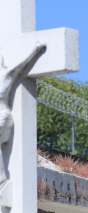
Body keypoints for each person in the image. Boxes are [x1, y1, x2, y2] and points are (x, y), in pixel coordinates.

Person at [1, 43, 47, 201]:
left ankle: (2, 181)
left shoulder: (6, 75)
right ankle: (2, 181)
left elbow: (22, 67)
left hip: (3, 116)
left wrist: (36, 53)